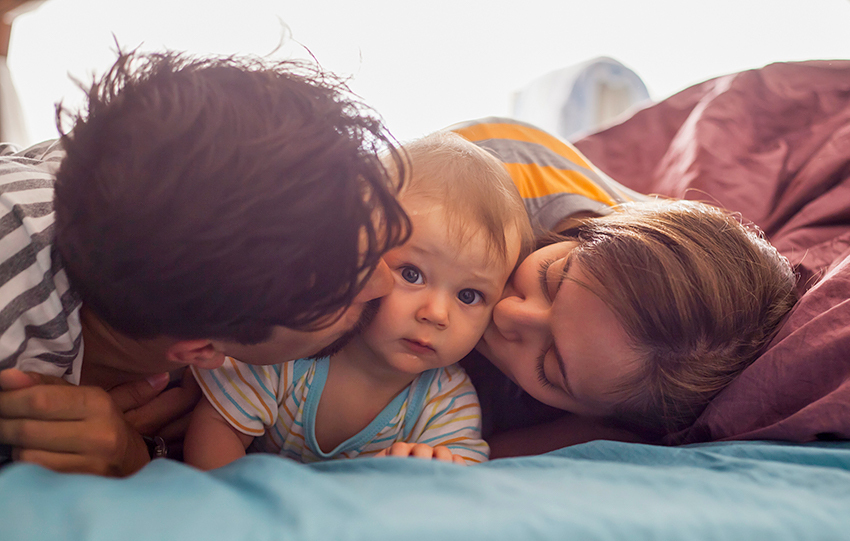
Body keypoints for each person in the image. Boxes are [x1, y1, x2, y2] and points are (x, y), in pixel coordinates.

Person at [0, 49, 411, 476]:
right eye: (344, 290)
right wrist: (127, 464)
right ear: (203, 350)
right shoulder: (15, 271)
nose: (385, 282)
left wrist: (140, 453)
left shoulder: (138, 181)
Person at [446, 118, 799, 454]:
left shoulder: (611, 396)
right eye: (550, 279)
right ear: (592, 233)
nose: (508, 314)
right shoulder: (473, 181)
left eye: (549, 366)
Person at [183, 132, 532, 468]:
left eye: (469, 295)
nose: (437, 314)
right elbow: (218, 428)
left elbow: (463, 481)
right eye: (411, 274)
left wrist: (435, 471)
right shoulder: (292, 350)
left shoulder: (446, 401)